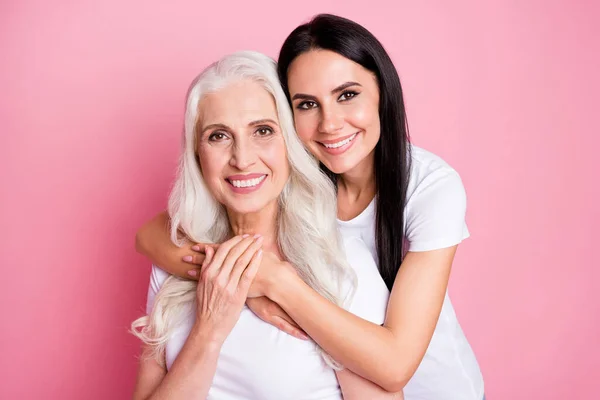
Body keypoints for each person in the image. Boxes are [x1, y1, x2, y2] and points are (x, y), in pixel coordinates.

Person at [136, 14, 484, 400]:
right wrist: (234, 281)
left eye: (347, 94)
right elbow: (151, 235)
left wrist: (272, 280)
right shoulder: (295, 170)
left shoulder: (428, 186)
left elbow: (395, 366)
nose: (330, 124)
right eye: (306, 104)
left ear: (383, 92)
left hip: (434, 383)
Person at [131, 51, 403, 400]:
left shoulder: (340, 263)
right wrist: (209, 332)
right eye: (218, 136)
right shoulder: (175, 262)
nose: (242, 159)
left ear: (290, 144)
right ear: (197, 154)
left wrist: (275, 283)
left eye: (263, 131)